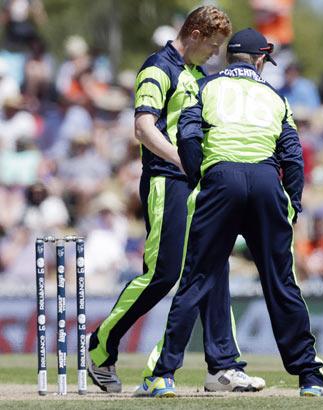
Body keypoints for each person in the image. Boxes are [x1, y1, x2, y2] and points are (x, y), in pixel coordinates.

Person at [87, 6, 265, 394]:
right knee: (163, 273)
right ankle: (100, 346)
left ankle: (223, 366)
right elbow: (143, 128)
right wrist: (183, 161)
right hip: (167, 182)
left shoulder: (197, 74)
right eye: (213, 46)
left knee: (214, 268)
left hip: (197, 185)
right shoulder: (158, 68)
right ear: (196, 34)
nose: (215, 55)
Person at [144, 27, 323, 397]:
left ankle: (163, 376)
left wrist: (199, 178)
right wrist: (293, 204)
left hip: (220, 179)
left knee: (196, 279)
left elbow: (189, 136)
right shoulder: (276, 97)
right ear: (260, 59)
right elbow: (293, 156)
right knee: (281, 283)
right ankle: (310, 377)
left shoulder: (206, 87)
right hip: (264, 182)